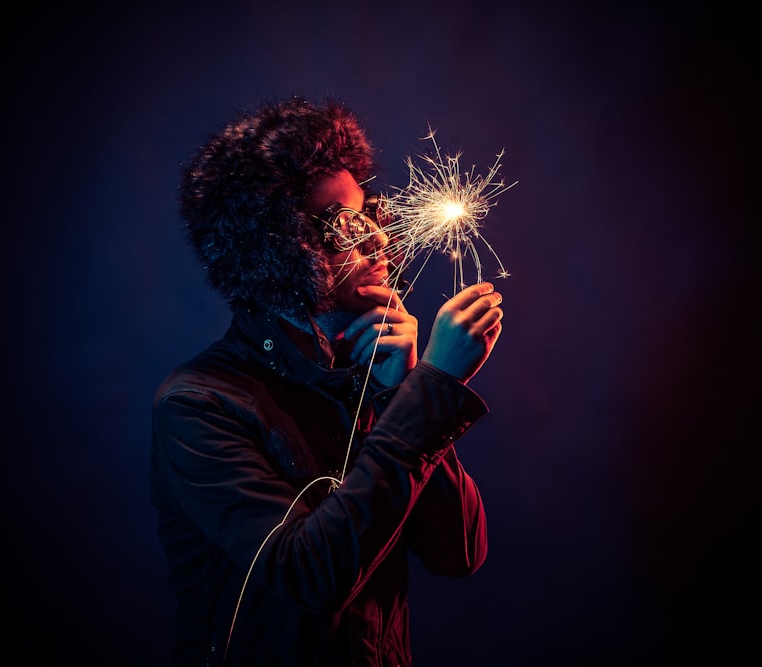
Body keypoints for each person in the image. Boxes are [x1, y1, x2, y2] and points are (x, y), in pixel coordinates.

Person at [150, 96, 505, 667]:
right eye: (343, 225)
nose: (378, 240)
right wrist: (434, 387)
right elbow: (311, 576)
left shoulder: (365, 376)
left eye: (371, 214)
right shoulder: (200, 405)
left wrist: (402, 392)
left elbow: (459, 552)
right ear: (280, 250)